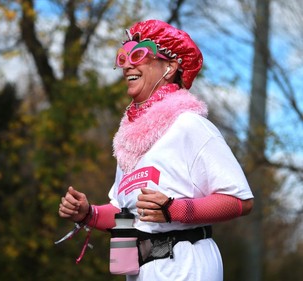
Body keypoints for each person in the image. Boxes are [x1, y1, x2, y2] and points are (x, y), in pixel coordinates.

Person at [57, 19, 254, 281]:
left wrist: (175, 210)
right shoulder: (129, 142)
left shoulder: (189, 125)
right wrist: (88, 214)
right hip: (141, 271)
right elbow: (124, 213)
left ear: (171, 67)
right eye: (123, 56)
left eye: (139, 54)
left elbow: (240, 200)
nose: (127, 64)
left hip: (187, 266)